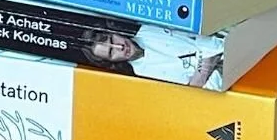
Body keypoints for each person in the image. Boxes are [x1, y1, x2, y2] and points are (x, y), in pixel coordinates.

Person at [80, 27, 222, 88]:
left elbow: (207, 39)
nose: (119, 47)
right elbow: (193, 92)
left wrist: (202, 73)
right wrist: (208, 61)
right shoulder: (141, 76)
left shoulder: (147, 30)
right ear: (111, 62)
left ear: (114, 33)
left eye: (112, 40)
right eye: (111, 52)